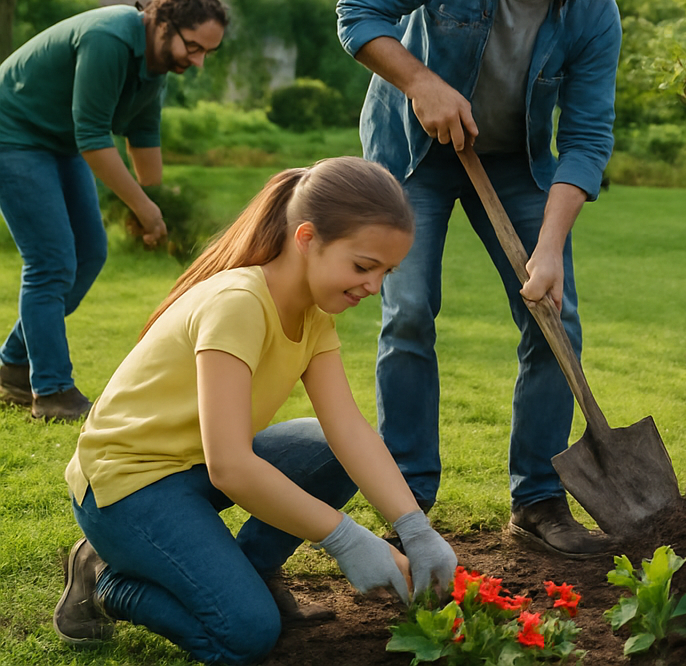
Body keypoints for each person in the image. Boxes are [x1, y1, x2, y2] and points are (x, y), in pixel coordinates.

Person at [336, 0, 624, 557]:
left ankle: (537, 499)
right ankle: (408, 501)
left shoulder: (592, 10)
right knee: (407, 311)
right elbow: (358, 13)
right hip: (415, 153)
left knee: (555, 318)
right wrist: (421, 83)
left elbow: (586, 136)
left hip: (519, 162)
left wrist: (550, 249)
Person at [53, 157, 458, 666]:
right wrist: (344, 538)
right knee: (244, 634)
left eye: (386, 271)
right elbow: (231, 466)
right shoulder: (238, 303)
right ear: (307, 238)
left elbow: (349, 431)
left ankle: (250, 573)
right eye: (362, 265)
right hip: (125, 487)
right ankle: (107, 581)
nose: (374, 286)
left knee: (326, 447)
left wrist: (416, 529)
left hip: (190, 467)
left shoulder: (313, 315)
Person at [0, 0, 227, 421]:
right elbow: (92, 138)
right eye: (193, 47)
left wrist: (159, 213)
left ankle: (11, 366)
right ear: (163, 23)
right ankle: (52, 392)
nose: (196, 62)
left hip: (57, 142)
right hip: (14, 135)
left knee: (89, 254)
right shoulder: (110, 38)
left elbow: (143, 138)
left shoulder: (155, 68)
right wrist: (142, 208)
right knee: (51, 263)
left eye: (206, 54)